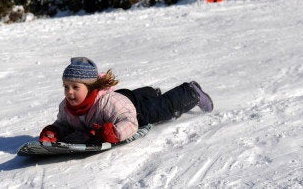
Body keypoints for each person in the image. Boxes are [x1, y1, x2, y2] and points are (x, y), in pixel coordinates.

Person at [38, 57, 214, 145]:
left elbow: (130, 121)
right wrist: (54, 131)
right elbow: (63, 123)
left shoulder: (107, 102)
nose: (69, 92)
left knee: (160, 109)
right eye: (66, 87)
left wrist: (115, 133)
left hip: (133, 111)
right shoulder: (66, 107)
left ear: (90, 87)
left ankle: (191, 92)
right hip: (125, 99)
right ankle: (151, 93)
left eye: (75, 87)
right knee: (140, 97)